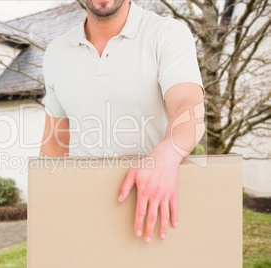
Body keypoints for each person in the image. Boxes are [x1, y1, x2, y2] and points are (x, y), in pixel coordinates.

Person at [40, 0, 205, 243]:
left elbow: (188, 108)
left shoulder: (167, 33)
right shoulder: (56, 51)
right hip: (82, 211)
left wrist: (167, 156)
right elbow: (55, 142)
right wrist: (46, 213)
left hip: (151, 206)